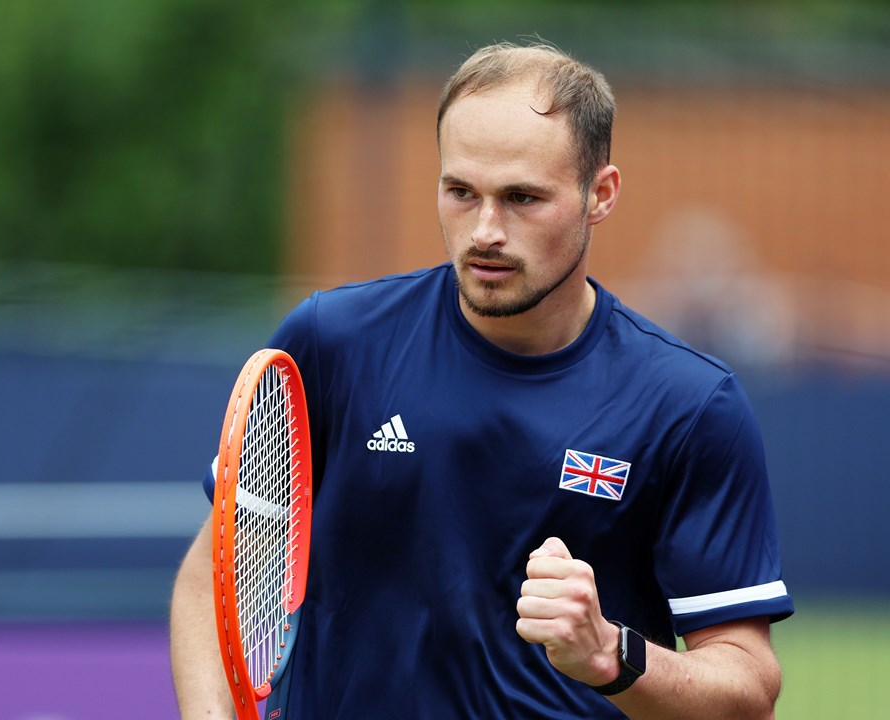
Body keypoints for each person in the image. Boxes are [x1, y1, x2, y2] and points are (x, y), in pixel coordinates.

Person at [170, 40, 793, 718]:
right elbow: (215, 581)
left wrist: (612, 653)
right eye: (461, 192)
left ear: (600, 195)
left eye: (523, 197)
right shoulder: (333, 341)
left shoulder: (689, 404)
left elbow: (748, 690)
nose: (486, 230)